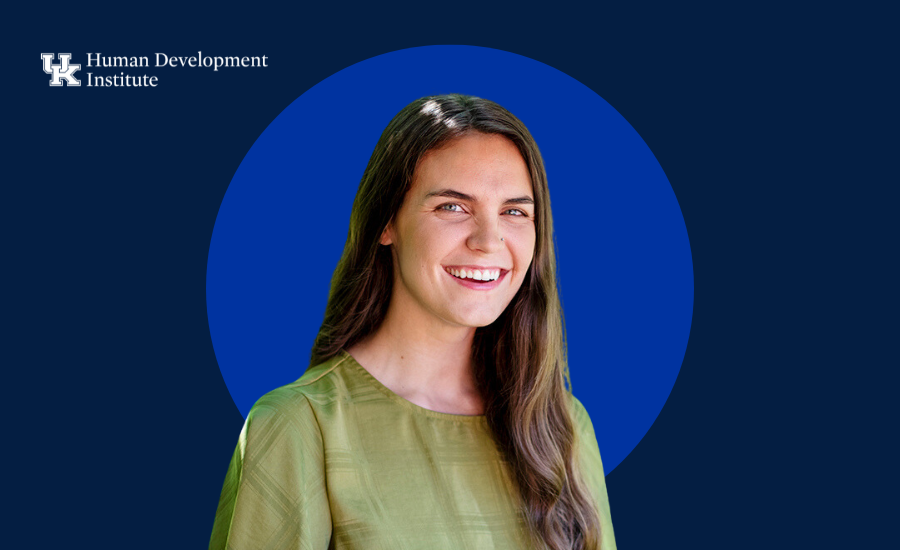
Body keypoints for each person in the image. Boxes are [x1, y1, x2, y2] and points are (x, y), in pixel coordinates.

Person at [209, 94, 616, 549]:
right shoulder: (298, 427)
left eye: (514, 211)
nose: (489, 240)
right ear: (387, 222)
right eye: (452, 207)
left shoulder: (564, 427)